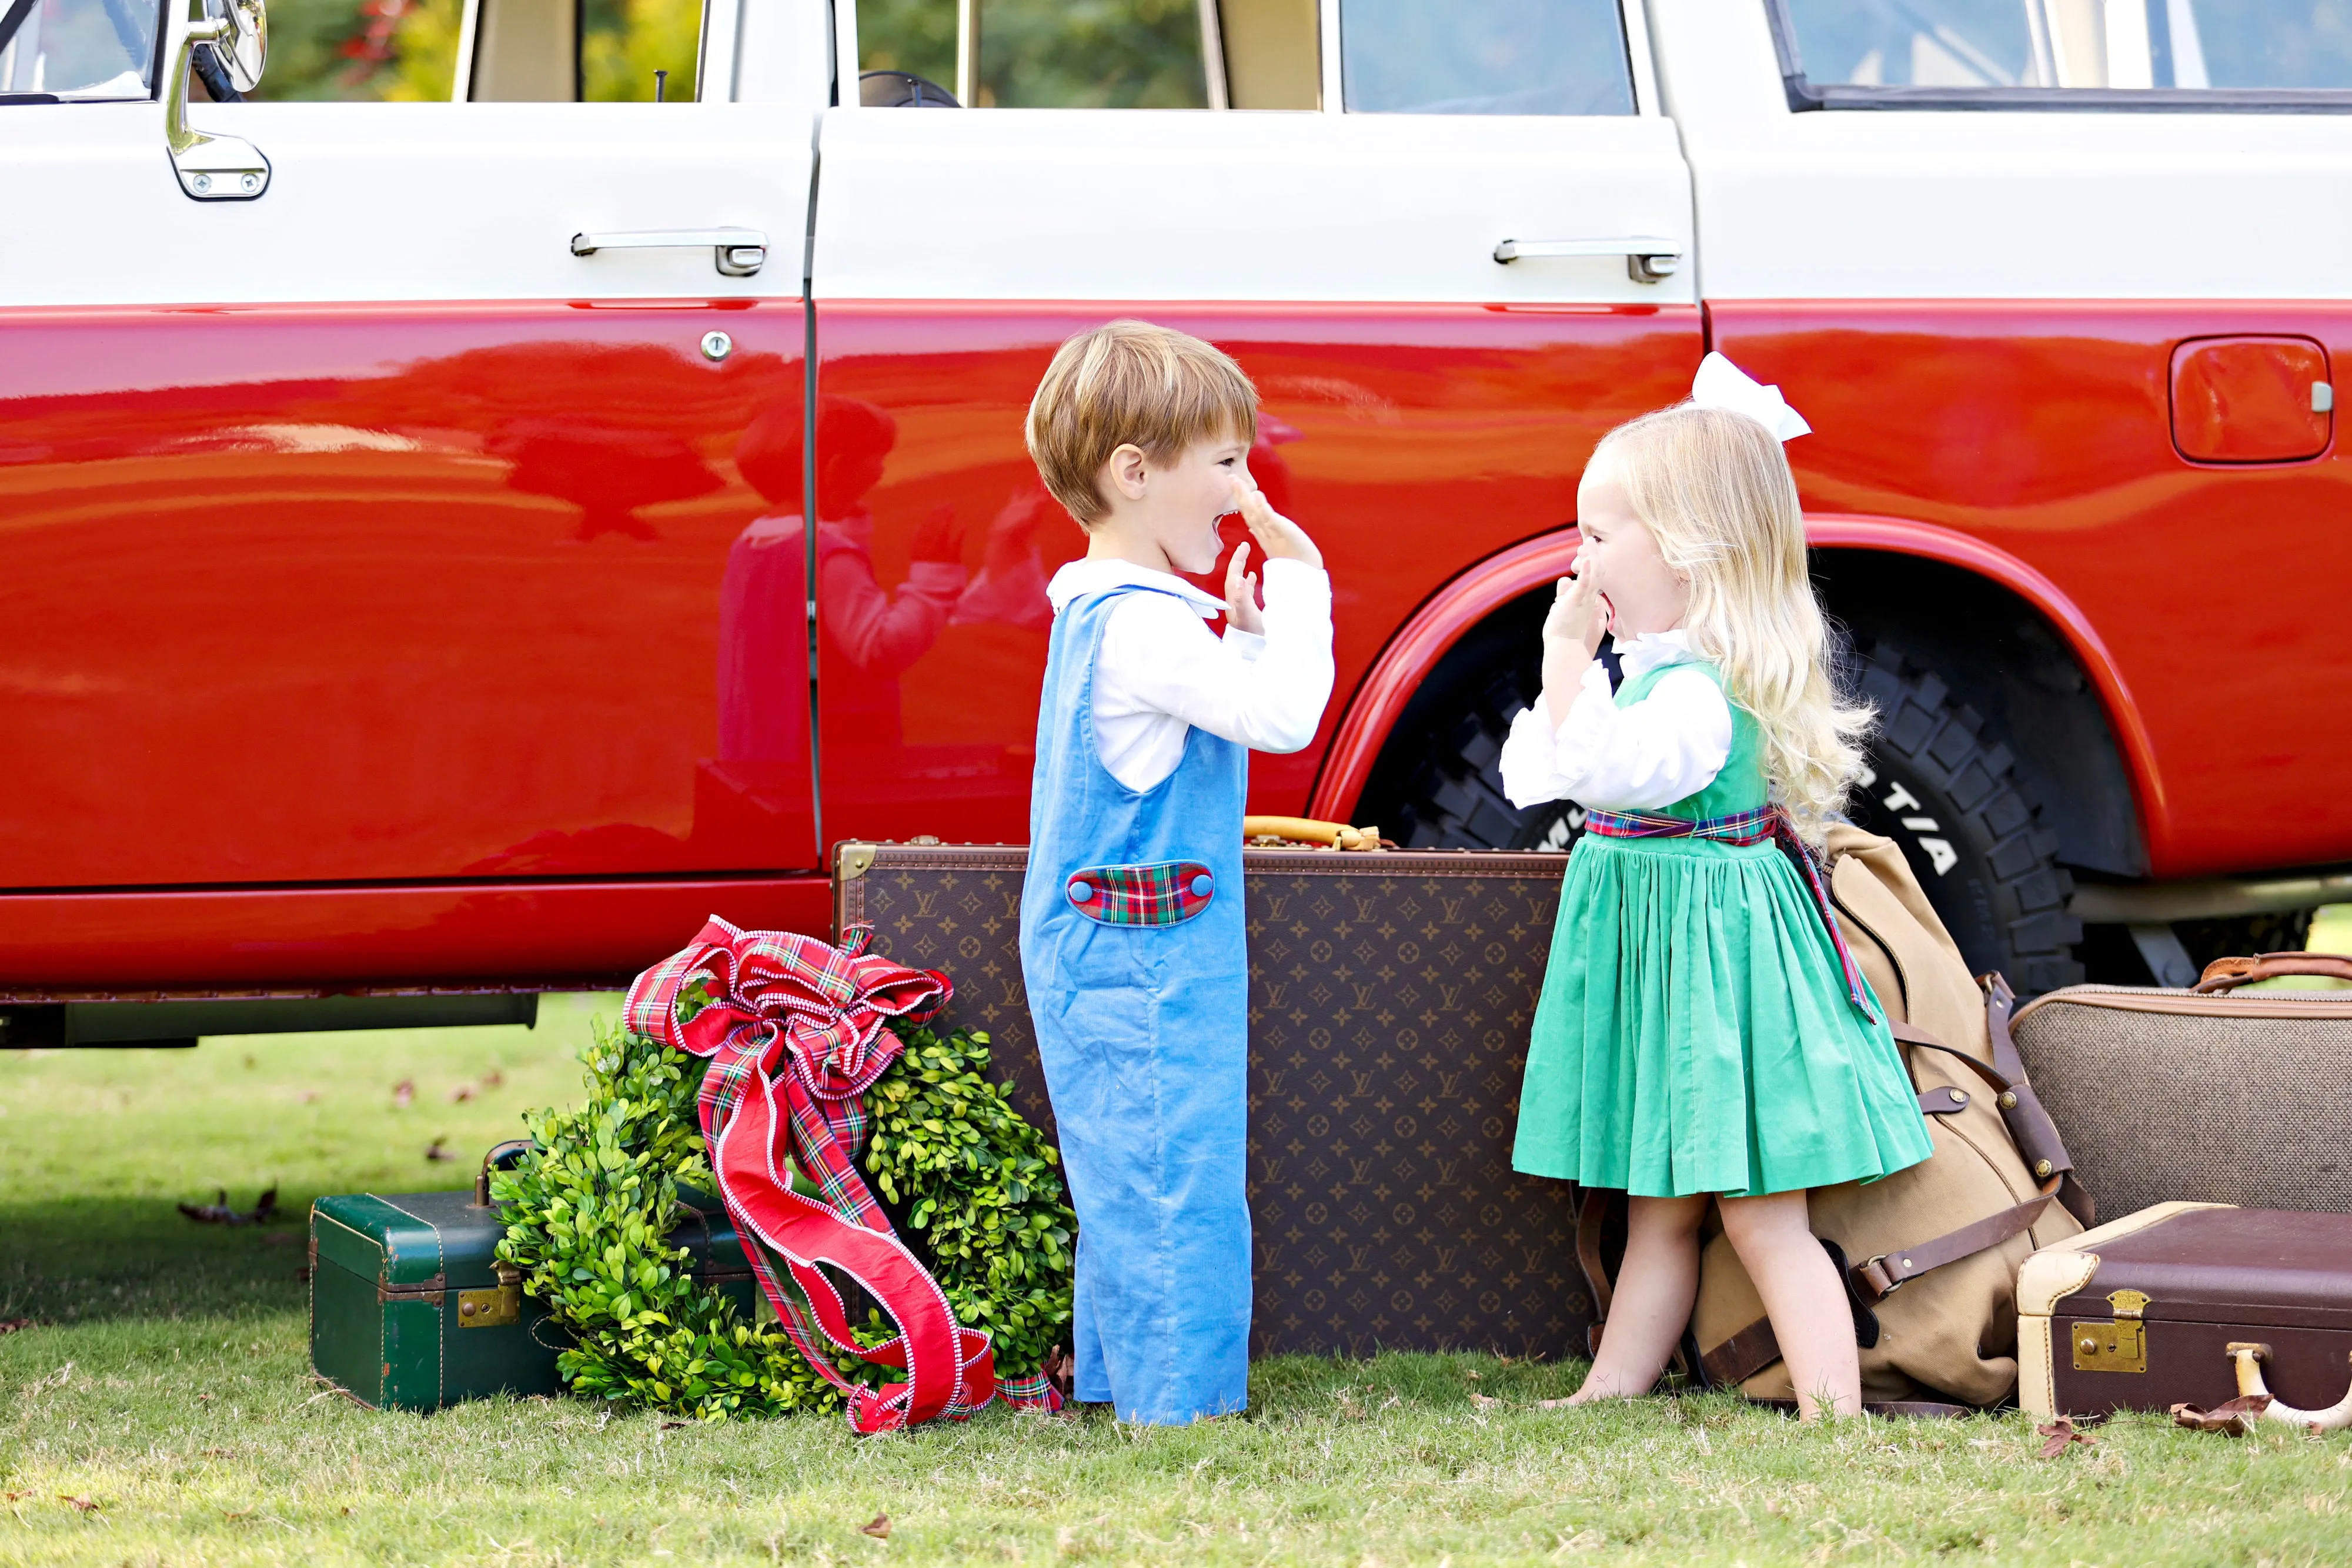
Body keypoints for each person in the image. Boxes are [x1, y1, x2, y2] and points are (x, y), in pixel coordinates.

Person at [1501, 355, 1933, 1421]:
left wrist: (1567, 664)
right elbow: (1534, 773)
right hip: (1666, 963)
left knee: (1759, 1213)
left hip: (1719, 973)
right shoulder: (1649, 674)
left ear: (1692, 552)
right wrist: (1577, 672)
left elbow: (1604, 767)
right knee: (1658, 1210)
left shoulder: (1694, 693)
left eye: (1601, 533)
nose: (1580, 554)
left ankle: (1835, 1412)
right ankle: (1610, 1388)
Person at [1017, 320, 1334, 1425]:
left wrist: (1239, 639)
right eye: (1228, 461)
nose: (1246, 484)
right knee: (1172, 1177)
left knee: (1134, 1170)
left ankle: (1129, 1385)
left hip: (1123, 943)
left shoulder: (1118, 613)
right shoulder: (1143, 626)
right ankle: (1180, 1405)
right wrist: (1300, 589)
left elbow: (1200, 720)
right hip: (1142, 958)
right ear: (1136, 474)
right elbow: (1283, 718)